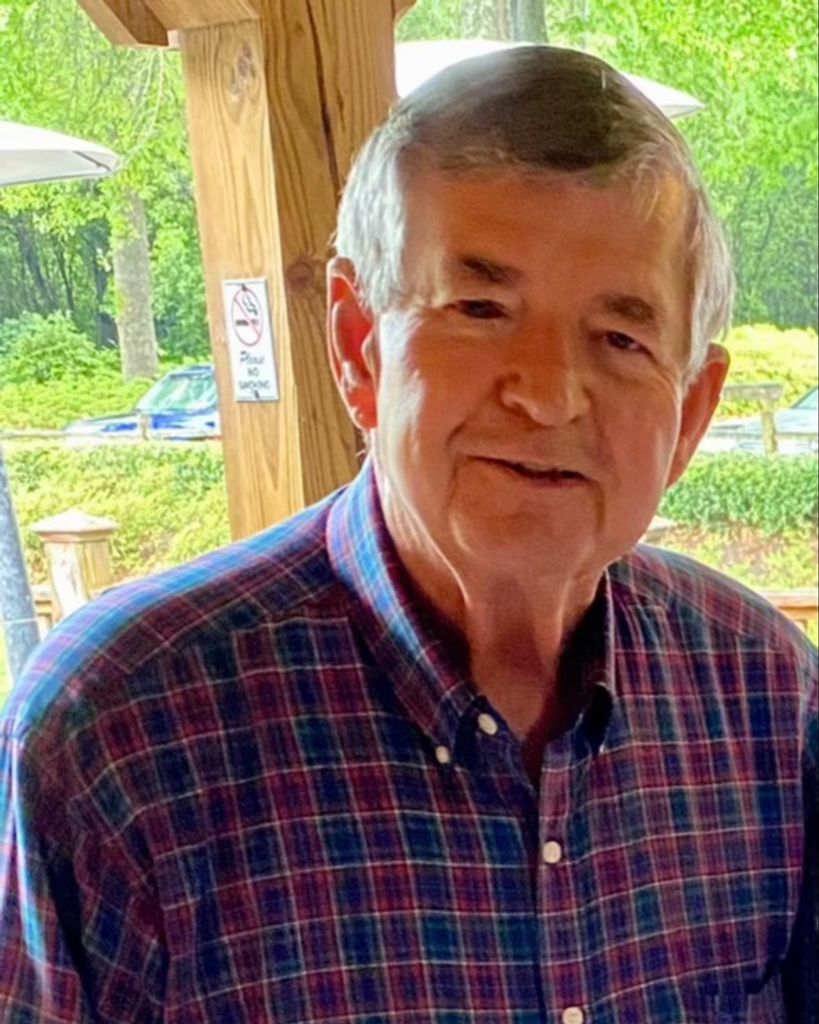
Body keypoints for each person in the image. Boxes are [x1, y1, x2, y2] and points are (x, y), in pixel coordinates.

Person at [1, 45, 815, 1024]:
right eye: (480, 308)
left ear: (690, 414)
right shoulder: (116, 736)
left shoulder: (769, 700)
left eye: (620, 337)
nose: (548, 393)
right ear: (358, 347)